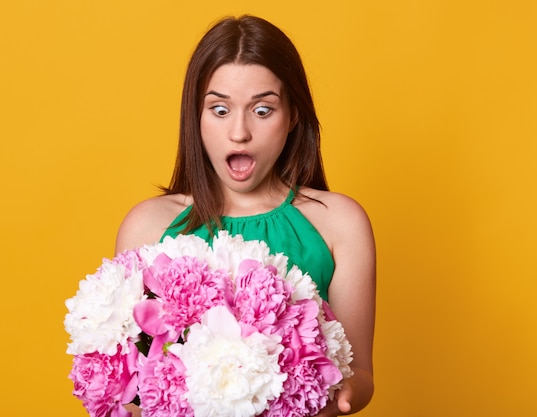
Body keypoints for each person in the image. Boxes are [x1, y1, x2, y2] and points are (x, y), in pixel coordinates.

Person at [115, 15, 375, 416]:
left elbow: (358, 374)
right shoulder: (147, 228)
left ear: (293, 117)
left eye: (262, 110)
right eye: (219, 109)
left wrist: (336, 396)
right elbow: (130, 381)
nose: (239, 132)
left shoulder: (339, 223)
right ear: (195, 119)